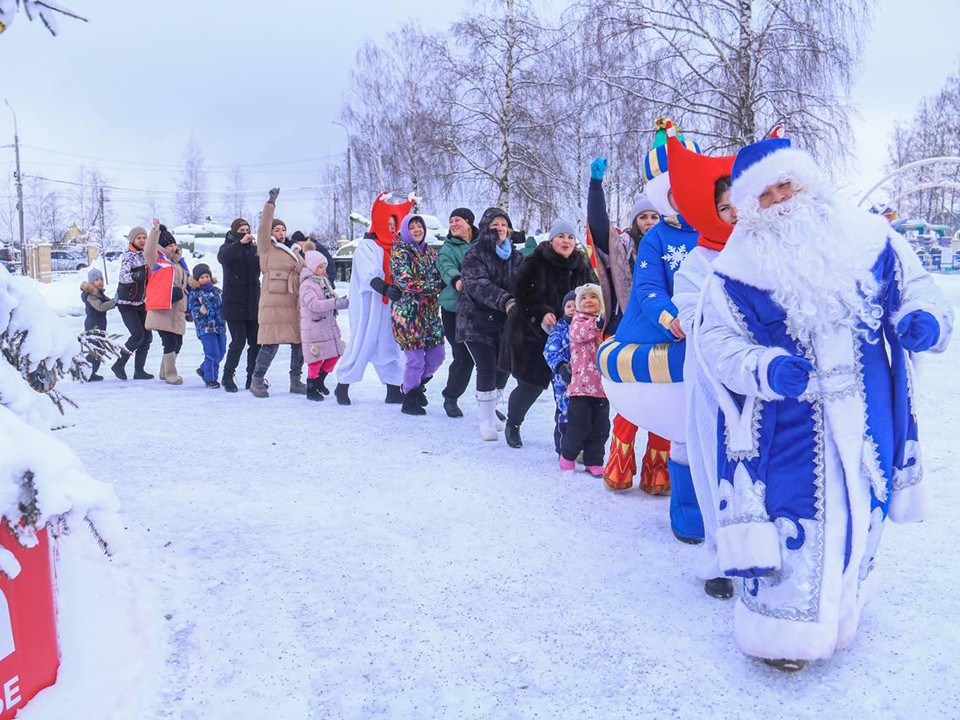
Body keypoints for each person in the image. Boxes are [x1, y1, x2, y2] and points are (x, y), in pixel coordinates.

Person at [696, 137, 952, 670]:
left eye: (785, 184)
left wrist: (921, 321)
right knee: (793, 514)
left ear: (807, 181)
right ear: (751, 207)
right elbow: (716, 343)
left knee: (864, 504)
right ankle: (780, 636)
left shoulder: (870, 238)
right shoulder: (736, 269)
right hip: (784, 422)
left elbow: (918, 290)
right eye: (764, 195)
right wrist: (765, 368)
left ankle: (843, 610)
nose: (780, 199)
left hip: (867, 410)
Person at [597, 118, 705, 544]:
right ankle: (685, 514)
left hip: (719, 341)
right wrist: (671, 319)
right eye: (673, 190)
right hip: (664, 336)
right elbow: (646, 287)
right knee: (668, 426)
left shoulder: (721, 230)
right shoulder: (658, 237)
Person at [667, 124, 739, 600]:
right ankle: (719, 556)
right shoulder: (698, 261)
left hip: (765, 384)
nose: (732, 214)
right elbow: (690, 311)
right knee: (715, 465)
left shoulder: (774, 252)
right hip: (714, 382)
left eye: (738, 204)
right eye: (723, 207)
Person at [587, 159, 662, 492]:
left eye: (654, 216)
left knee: (665, 403)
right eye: (643, 216)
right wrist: (595, 186)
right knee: (630, 402)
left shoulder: (672, 245)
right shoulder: (622, 247)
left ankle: (658, 473)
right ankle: (619, 470)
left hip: (664, 330)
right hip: (627, 330)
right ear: (635, 221)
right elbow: (599, 225)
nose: (648, 222)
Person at [502, 219, 594, 449]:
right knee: (530, 386)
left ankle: (563, 440)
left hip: (571, 339)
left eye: (571, 237)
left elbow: (593, 292)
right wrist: (541, 313)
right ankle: (513, 422)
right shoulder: (535, 261)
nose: (566, 241)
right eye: (561, 237)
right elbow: (522, 293)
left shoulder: (581, 264)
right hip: (533, 335)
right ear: (551, 240)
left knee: (568, 389)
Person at [335, 192, 412, 406]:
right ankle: (343, 384)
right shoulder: (367, 246)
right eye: (386, 222)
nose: (390, 227)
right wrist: (385, 288)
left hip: (389, 307)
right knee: (362, 344)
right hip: (369, 306)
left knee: (390, 345)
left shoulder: (397, 246)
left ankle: (393, 388)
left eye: (393, 223)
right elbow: (369, 274)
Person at [457, 207, 523, 440]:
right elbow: (477, 284)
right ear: (485, 228)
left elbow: (526, 281)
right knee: (486, 366)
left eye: (504, 224)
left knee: (504, 366)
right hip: (476, 320)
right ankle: (485, 419)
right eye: (495, 224)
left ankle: (492, 411)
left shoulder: (515, 255)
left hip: (506, 321)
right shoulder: (475, 254)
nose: (500, 228)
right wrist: (505, 299)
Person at [249, 188, 307, 398]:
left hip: (293, 302)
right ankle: (257, 380)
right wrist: (271, 204)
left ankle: (296, 381)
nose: (281, 233)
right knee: (270, 343)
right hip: (273, 302)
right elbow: (263, 227)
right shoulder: (265, 247)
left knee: (298, 342)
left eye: (283, 230)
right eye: (277, 229)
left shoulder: (292, 250)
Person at [389, 215, 445, 416]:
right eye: (411, 227)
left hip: (430, 313)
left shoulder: (431, 252)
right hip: (408, 314)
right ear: (405, 230)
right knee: (415, 360)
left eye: (419, 225)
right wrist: (437, 286)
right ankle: (409, 400)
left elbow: (440, 274)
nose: (416, 229)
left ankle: (413, 386)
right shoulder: (400, 252)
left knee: (438, 356)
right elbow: (406, 282)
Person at [559, 284, 610, 477]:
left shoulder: (604, 322)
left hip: (602, 388)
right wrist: (597, 323)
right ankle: (567, 455)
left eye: (593, 297)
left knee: (601, 428)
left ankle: (594, 460)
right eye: (584, 298)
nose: (588, 300)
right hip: (581, 387)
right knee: (579, 426)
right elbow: (580, 335)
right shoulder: (578, 321)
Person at [436, 208, 478, 418]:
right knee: (463, 356)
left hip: (480, 309)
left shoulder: (482, 245)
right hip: (454, 310)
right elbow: (445, 267)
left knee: (492, 358)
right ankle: (451, 397)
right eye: (451, 220)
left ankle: (489, 403)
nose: (453, 224)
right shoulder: (447, 248)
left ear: (469, 223)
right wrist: (456, 280)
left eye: (457, 220)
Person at [217, 217, 261, 392]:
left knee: (256, 342)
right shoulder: (227, 247)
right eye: (241, 230)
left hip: (252, 302)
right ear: (235, 231)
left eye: (247, 230)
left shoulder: (254, 249)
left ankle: (252, 377)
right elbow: (223, 258)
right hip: (234, 303)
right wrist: (239, 243)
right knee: (238, 341)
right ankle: (228, 376)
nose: (245, 233)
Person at [144, 220, 189, 386]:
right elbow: (149, 250)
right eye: (168, 245)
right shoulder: (156, 260)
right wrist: (155, 232)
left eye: (173, 244)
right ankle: (171, 374)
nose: (173, 247)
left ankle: (164, 372)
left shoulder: (178, 262)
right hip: (162, 308)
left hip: (177, 308)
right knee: (169, 341)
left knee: (178, 341)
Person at [299, 250, 347, 402]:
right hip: (314, 328)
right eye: (320, 267)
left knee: (336, 353)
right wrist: (334, 303)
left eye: (324, 266)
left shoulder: (323, 281)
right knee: (316, 359)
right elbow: (313, 304)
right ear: (312, 267)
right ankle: (311, 387)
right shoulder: (307, 285)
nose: (323, 270)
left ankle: (320, 380)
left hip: (328, 326)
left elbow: (332, 297)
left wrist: (340, 301)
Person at [111, 226, 153, 380]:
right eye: (139, 238)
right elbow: (123, 277)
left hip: (140, 302)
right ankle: (119, 364)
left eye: (144, 237)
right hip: (126, 302)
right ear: (132, 240)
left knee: (147, 337)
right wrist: (135, 275)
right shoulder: (129, 256)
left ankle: (139, 370)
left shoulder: (146, 255)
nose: (142, 240)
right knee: (137, 335)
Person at [543, 290, 576, 457]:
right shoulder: (559, 330)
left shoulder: (589, 327)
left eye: (575, 305)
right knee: (564, 412)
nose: (572, 309)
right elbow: (550, 351)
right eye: (568, 306)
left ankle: (580, 448)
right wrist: (561, 367)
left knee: (582, 413)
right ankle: (562, 448)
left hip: (585, 378)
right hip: (563, 379)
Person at [186, 263, 227, 389]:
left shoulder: (217, 291)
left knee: (221, 352)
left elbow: (224, 304)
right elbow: (192, 310)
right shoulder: (195, 294)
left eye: (207, 276)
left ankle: (204, 368)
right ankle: (210, 379)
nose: (205, 279)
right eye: (202, 277)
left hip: (219, 326)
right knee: (212, 353)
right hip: (205, 329)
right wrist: (199, 311)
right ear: (197, 280)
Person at [80, 267, 115, 381]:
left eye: (101, 279)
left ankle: (91, 372)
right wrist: (114, 302)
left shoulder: (99, 294)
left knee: (99, 348)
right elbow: (100, 307)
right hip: (93, 324)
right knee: (96, 348)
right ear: (91, 282)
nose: (100, 281)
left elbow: (107, 301)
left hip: (99, 324)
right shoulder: (91, 295)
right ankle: (85, 370)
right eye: (96, 280)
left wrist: (115, 301)